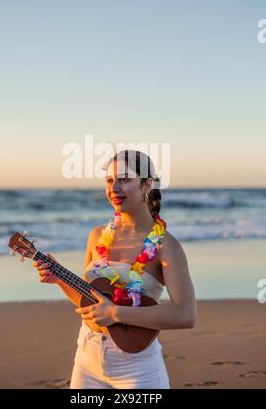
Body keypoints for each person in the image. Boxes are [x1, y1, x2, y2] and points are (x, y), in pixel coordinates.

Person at [33, 150, 196, 389]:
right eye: (109, 180)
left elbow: (185, 315)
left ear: (146, 185)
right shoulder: (97, 236)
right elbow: (90, 300)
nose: (114, 188)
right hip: (87, 357)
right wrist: (58, 278)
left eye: (124, 179)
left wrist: (116, 314)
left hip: (136, 367)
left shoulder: (165, 245)